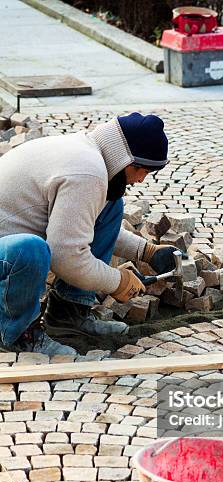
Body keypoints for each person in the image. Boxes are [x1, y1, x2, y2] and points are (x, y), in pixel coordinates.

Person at [0, 112, 178, 356]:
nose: (140, 180)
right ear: (128, 161)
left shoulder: (85, 153)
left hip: (6, 246)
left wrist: (145, 251)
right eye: (144, 172)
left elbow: (77, 226)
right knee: (31, 250)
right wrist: (117, 282)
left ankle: (68, 316)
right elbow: (67, 256)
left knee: (111, 204)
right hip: (11, 252)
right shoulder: (87, 173)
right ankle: (17, 334)